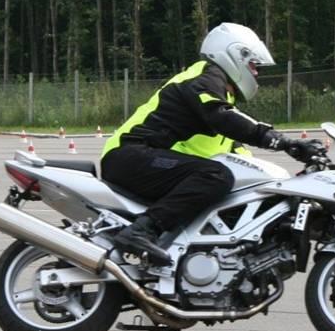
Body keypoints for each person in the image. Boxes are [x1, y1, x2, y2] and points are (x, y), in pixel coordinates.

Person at [100, 22, 323, 269]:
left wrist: (288, 186)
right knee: (215, 176)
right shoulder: (204, 78)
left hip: (147, 159)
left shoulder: (218, 98)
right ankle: (141, 231)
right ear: (235, 55)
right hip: (131, 155)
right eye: (253, 65)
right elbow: (223, 117)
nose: (256, 73)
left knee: (236, 187)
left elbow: (241, 156)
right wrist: (285, 143)